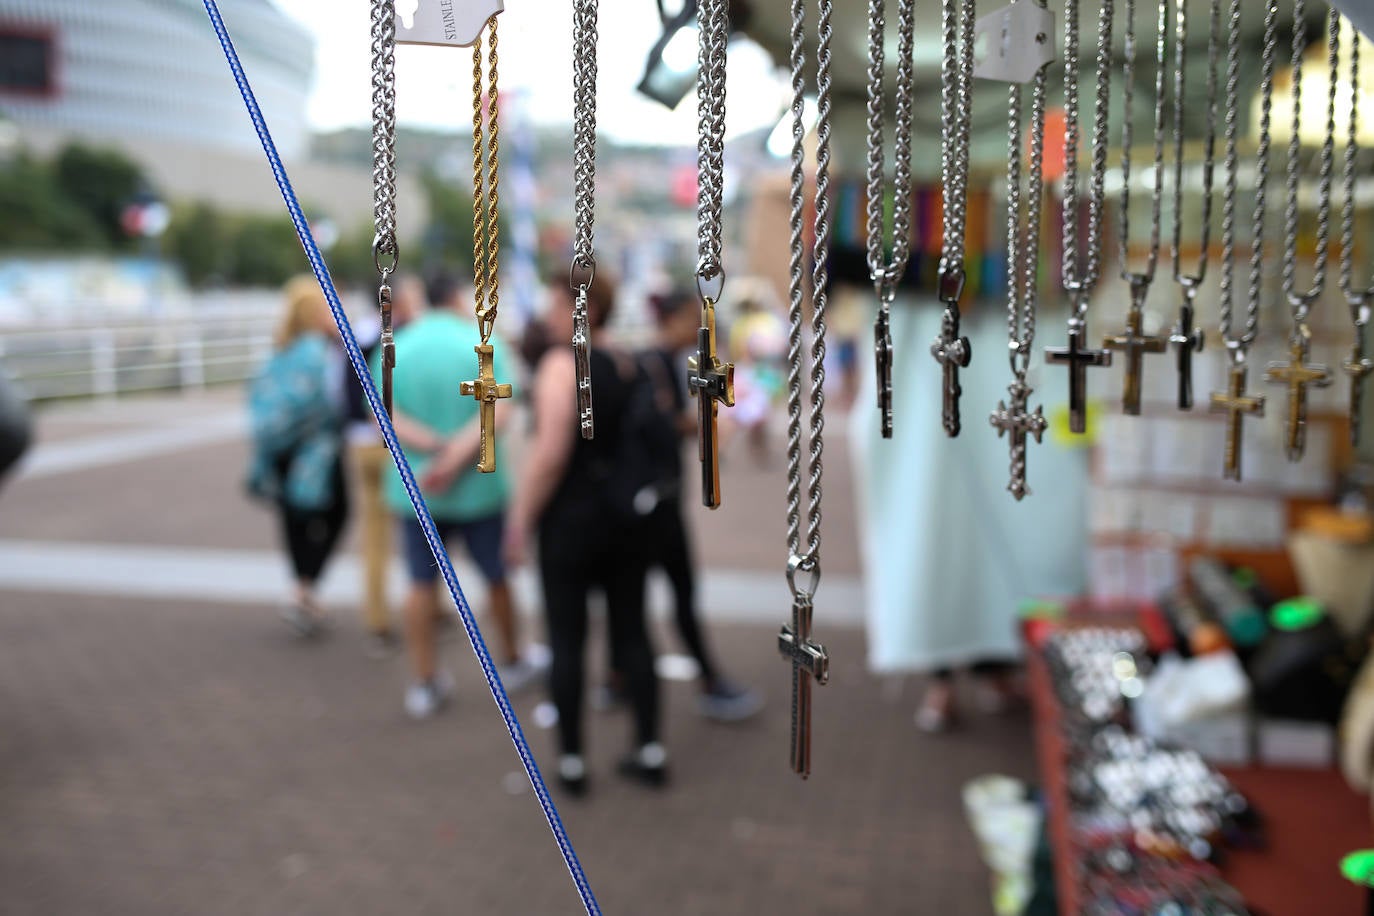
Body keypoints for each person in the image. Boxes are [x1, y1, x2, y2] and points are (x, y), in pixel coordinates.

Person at [850, 294, 1089, 732]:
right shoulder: (916, 323)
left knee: (989, 574)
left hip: (994, 454)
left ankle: (992, 672)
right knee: (937, 561)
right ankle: (941, 685)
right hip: (938, 463)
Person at [505, 272, 665, 796]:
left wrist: (521, 519)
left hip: (572, 521)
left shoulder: (559, 364)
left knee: (567, 638)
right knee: (633, 632)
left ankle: (572, 760)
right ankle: (649, 747)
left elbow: (551, 453)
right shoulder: (625, 360)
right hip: (627, 519)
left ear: (586, 308)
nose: (550, 315)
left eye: (558, 303)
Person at [374, 270, 541, 720]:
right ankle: (511, 658)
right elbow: (501, 410)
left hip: (416, 486)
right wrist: (456, 456)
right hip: (478, 487)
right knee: (496, 574)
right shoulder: (484, 343)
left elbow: (383, 411)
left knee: (419, 583)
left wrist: (431, 449)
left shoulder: (398, 345)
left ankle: (426, 680)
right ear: (457, 297)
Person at [611, 289, 761, 721]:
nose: (696, 329)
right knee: (663, 594)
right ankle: (704, 682)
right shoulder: (650, 365)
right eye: (690, 319)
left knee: (650, 596)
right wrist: (710, 421)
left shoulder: (663, 364)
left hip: (658, 499)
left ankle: (619, 677)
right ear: (672, 319)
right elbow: (659, 427)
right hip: (650, 505)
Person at [246, 276, 350, 637]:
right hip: (316, 450)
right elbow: (330, 401)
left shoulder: (279, 350)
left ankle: (303, 590)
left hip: (279, 450)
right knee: (337, 513)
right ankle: (304, 589)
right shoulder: (319, 351)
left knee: (294, 522)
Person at [342, 273, 423, 657]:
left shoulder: (354, 333)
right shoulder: (403, 337)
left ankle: (377, 622)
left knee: (374, 540)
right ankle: (428, 610)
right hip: (394, 443)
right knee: (417, 531)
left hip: (360, 444)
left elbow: (340, 392)